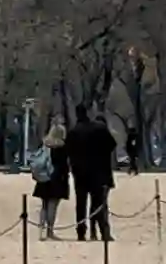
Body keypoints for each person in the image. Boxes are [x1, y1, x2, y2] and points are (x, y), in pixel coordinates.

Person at [68, 104, 115, 243]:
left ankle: (81, 232)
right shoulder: (99, 129)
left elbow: (68, 152)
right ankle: (103, 232)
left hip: (80, 173)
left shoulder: (73, 132)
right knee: (99, 203)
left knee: (80, 204)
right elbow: (111, 145)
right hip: (98, 171)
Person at [31, 123, 70, 241]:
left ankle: (41, 230)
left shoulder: (45, 144)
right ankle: (50, 231)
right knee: (53, 205)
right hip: (57, 178)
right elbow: (64, 166)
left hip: (44, 176)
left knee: (44, 205)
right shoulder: (62, 147)